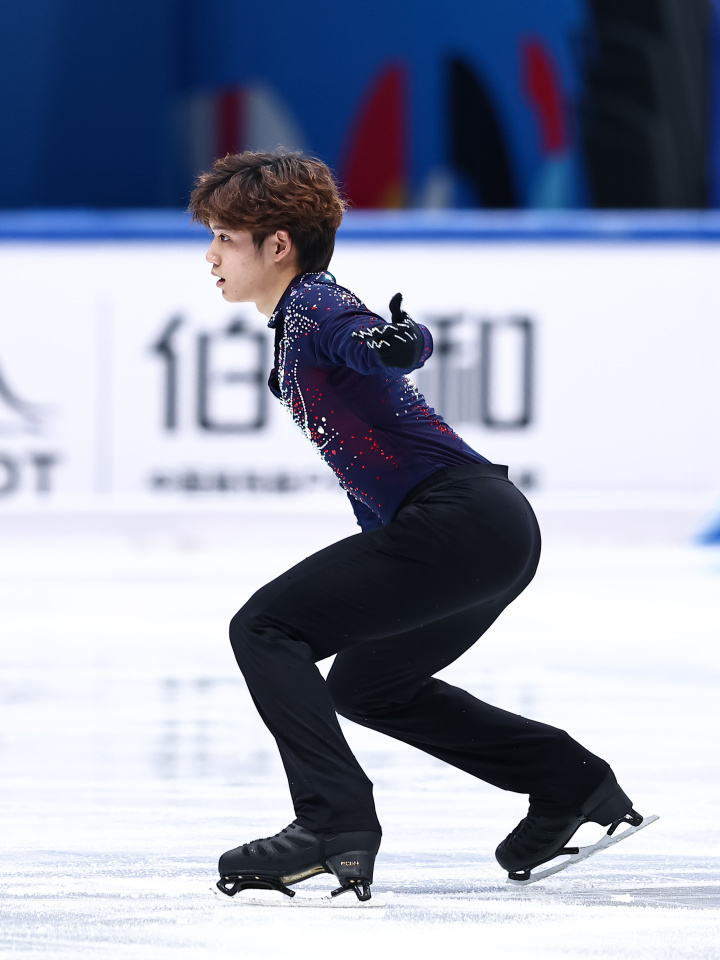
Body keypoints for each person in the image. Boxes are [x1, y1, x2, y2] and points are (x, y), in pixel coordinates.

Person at [188, 150, 650, 902]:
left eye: (223, 239)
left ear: (278, 245)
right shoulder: (296, 321)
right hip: (489, 533)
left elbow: (377, 340)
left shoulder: (313, 304)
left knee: (265, 629)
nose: (210, 257)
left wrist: (396, 343)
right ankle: (567, 781)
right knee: (368, 686)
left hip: (460, 521)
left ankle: (332, 822)